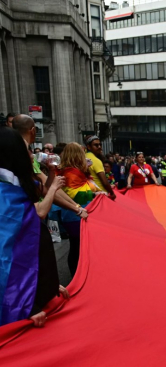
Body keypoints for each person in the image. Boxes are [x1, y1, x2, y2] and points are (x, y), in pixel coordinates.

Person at [0, 127, 73, 327]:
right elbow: (6, 262)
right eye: (28, 150)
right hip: (18, 308)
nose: (32, 155)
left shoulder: (15, 186)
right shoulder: (4, 197)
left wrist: (46, 287)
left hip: (31, 292)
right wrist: (25, 306)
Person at [59, 143, 94, 276]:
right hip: (75, 214)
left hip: (76, 213)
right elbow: (78, 194)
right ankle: (76, 276)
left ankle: (78, 274)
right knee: (77, 246)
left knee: (78, 246)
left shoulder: (73, 171)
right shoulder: (70, 173)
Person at [85, 135, 116, 201]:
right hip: (101, 195)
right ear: (89, 147)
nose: (99, 147)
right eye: (96, 145)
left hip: (90, 194)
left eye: (100, 145)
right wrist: (112, 193)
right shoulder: (96, 160)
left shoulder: (83, 157)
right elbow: (105, 182)